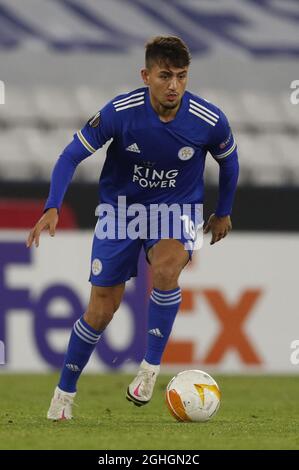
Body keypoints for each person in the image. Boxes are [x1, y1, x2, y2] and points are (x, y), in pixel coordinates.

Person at [27, 36, 239, 420]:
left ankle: (149, 369)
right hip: (120, 213)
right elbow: (70, 155)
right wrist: (52, 206)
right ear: (146, 76)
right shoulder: (120, 112)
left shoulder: (208, 119)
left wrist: (223, 211)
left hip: (177, 210)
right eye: (165, 75)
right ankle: (64, 394)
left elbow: (230, 161)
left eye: (181, 76)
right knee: (101, 311)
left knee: (166, 268)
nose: (174, 85)